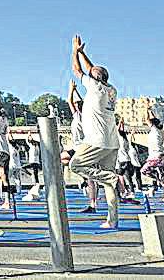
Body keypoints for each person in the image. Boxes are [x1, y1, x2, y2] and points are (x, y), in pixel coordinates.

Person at [67, 35, 120, 229]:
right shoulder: (111, 89)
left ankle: (112, 178)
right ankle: (112, 220)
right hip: (112, 142)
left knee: (75, 165)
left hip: (96, 140)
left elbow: (78, 70)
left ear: (96, 78)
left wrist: (74, 51)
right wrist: (83, 52)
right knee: (109, 185)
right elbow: (92, 70)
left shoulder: (94, 86)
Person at [65, 79, 98, 213]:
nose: (76, 105)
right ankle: (84, 175)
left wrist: (72, 89)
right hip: (76, 146)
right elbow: (73, 101)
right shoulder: (78, 115)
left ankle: (93, 205)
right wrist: (75, 90)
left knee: (91, 178)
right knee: (61, 158)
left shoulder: (85, 116)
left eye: (78, 104)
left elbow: (70, 101)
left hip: (84, 148)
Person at [140, 107, 164, 202]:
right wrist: (150, 111)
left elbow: (147, 119)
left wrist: (145, 109)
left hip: (155, 156)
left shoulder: (154, 129)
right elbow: (154, 119)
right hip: (161, 156)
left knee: (144, 171)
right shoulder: (160, 129)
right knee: (163, 175)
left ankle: (157, 179)